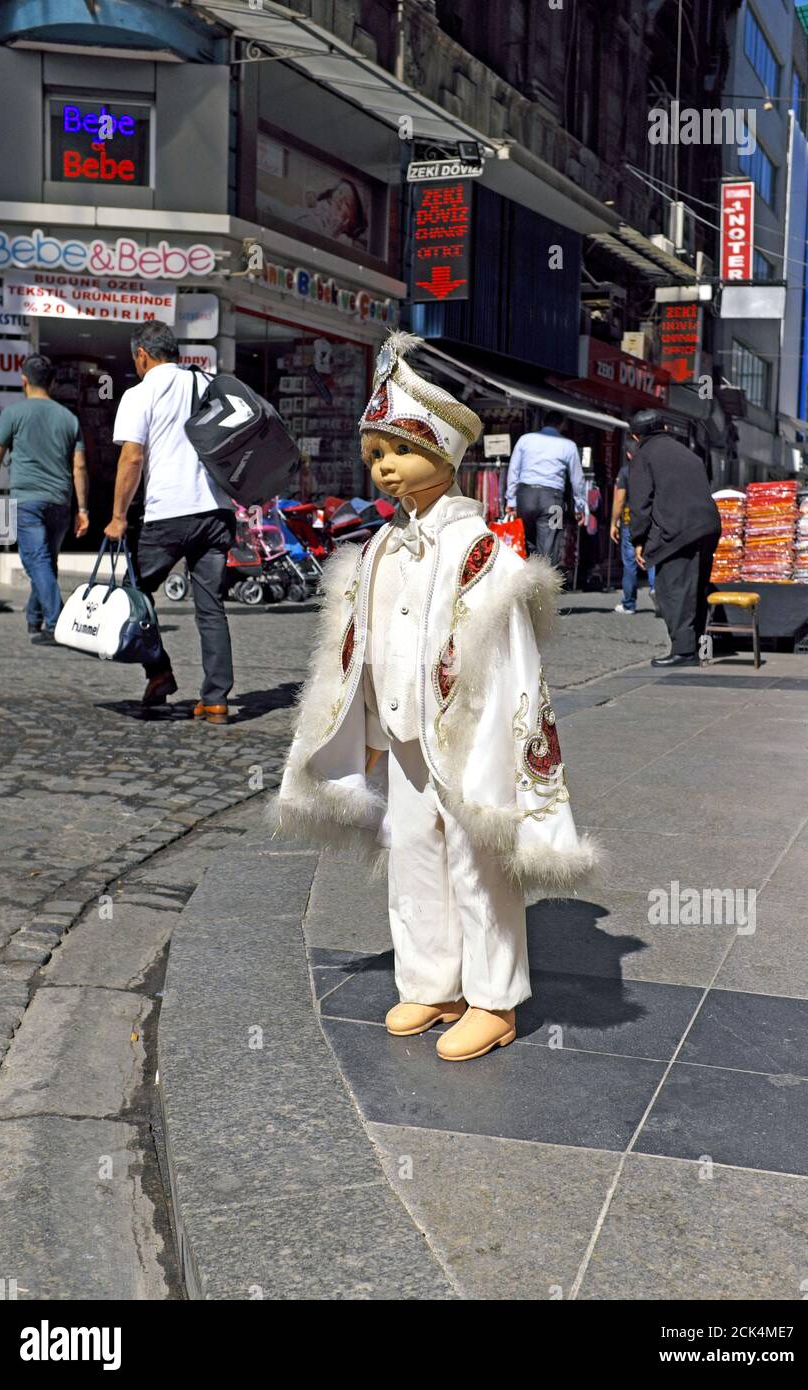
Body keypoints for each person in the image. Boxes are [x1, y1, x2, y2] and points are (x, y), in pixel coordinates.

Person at [272, 331, 596, 1063]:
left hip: (469, 732)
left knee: (478, 862)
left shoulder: (481, 549)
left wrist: (507, 743)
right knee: (412, 850)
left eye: (399, 451)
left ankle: (494, 997)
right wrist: (362, 724)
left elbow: (510, 657)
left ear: (444, 456)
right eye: (376, 455)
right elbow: (360, 641)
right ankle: (432, 980)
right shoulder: (382, 546)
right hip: (403, 730)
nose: (385, 468)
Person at [106, 320, 236, 722]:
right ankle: (216, 699)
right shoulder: (210, 384)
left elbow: (132, 458)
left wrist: (117, 517)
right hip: (216, 512)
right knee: (211, 609)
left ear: (142, 355)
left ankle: (159, 672)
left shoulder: (140, 393)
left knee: (135, 595)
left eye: (135, 359)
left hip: (169, 513)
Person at [0, 354, 88, 644]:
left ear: (24, 380)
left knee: (37, 561)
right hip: (60, 502)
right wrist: (82, 509)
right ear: (52, 383)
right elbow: (79, 466)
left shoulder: (14, 414)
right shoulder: (69, 418)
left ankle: (56, 624)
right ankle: (34, 620)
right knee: (46, 561)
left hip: (28, 501)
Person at [627, 411, 721, 667]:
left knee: (673, 589)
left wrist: (638, 539)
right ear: (665, 427)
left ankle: (684, 652)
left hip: (678, 530)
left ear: (636, 436)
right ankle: (695, 645)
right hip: (708, 526)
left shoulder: (643, 456)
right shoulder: (688, 453)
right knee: (696, 587)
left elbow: (639, 503)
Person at [505, 411, 586, 569]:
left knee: (526, 541)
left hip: (525, 497)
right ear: (561, 425)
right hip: (552, 499)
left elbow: (513, 470)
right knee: (551, 544)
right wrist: (580, 506)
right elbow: (578, 479)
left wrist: (511, 500)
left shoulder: (525, 440)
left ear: (543, 422)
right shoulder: (568, 445)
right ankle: (544, 586)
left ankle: (527, 581)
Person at [610, 447, 656, 614]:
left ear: (628, 454)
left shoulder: (625, 471)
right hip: (652, 520)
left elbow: (620, 499)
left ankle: (629, 604)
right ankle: (655, 589)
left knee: (629, 562)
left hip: (630, 521)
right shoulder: (653, 470)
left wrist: (613, 523)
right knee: (652, 557)